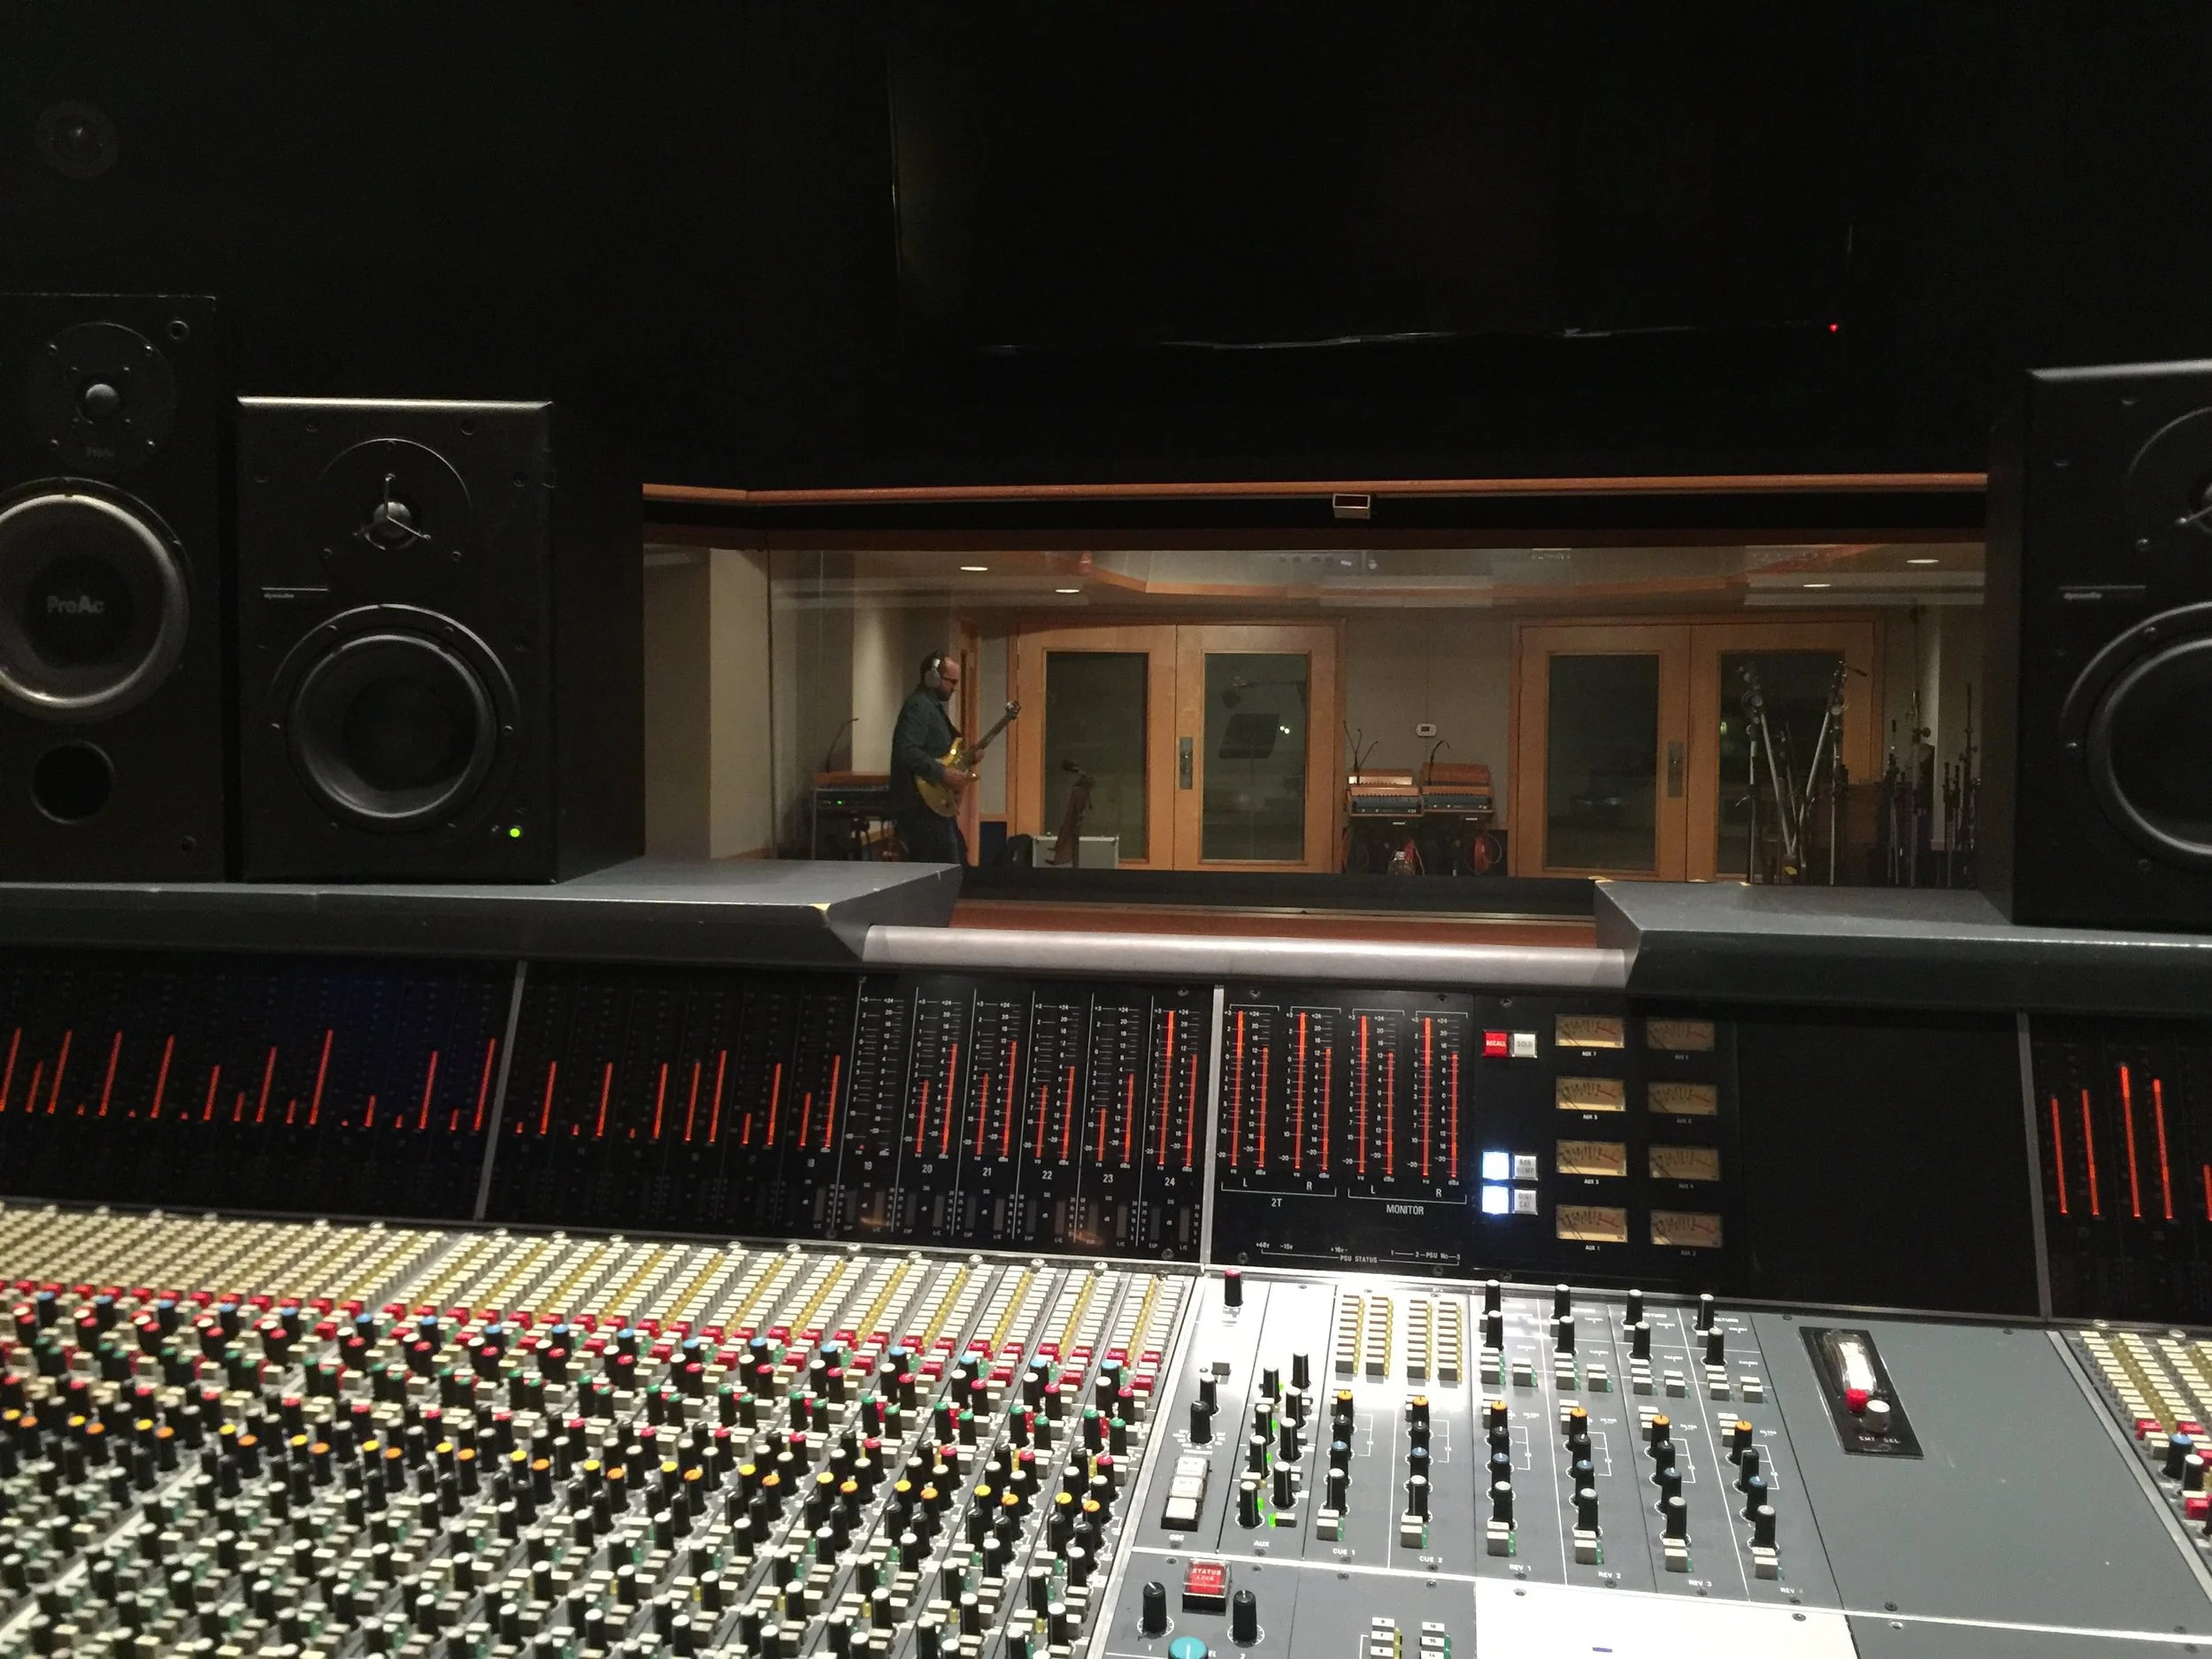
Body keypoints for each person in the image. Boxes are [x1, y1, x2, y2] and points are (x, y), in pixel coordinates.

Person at [889, 651, 971, 864]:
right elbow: (906, 750)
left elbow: (939, 753)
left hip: (932, 803)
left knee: (955, 859)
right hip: (920, 806)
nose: (954, 687)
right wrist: (942, 773)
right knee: (944, 866)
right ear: (932, 677)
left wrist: (968, 758)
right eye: (951, 681)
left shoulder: (931, 708)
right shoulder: (919, 707)